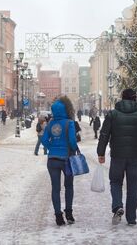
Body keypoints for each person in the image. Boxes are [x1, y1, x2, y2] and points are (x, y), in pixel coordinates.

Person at [97, 88, 137, 226]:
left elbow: (104, 134)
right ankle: (131, 218)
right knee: (133, 186)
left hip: (117, 155)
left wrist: (101, 152)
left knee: (115, 182)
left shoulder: (112, 114)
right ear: (135, 98)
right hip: (134, 156)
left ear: (122, 98)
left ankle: (117, 206)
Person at [41, 95, 78, 226]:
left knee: (55, 188)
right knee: (69, 187)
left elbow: (44, 140)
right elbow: (73, 142)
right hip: (67, 160)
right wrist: (74, 148)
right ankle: (69, 214)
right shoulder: (69, 123)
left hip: (52, 160)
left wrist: (53, 148)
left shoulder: (50, 124)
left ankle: (58, 216)